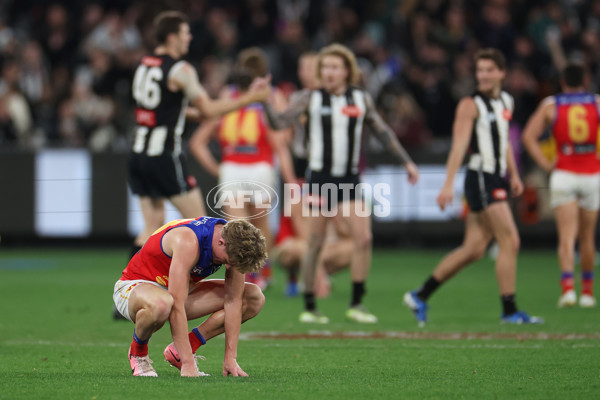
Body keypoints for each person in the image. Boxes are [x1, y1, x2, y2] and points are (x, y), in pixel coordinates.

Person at [263, 43, 419, 324]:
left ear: (347, 70)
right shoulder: (308, 97)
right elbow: (278, 122)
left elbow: (383, 133)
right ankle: (310, 305)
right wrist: (264, 99)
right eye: (325, 67)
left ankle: (357, 302)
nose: (329, 72)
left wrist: (406, 162)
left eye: (335, 67)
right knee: (315, 242)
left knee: (364, 238)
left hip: (349, 179)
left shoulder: (360, 99)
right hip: (320, 179)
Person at [403, 48, 543, 326]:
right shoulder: (470, 104)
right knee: (510, 241)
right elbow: (459, 147)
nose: (484, 75)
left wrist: (513, 174)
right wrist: (447, 185)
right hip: (480, 176)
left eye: (490, 69)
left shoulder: (505, 100)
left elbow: (503, 142)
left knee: (474, 248)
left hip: (496, 175)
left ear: (502, 73)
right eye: (480, 70)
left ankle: (420, 294)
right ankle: (509, 310)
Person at [127, 11, 269, 261]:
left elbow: (159, 109)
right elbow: (209, 109)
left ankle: (128, 289)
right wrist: (251, 99)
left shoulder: (144, 64)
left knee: (151, 227)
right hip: (164, 156)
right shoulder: (181, 69)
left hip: (139, 154)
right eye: (185, 33)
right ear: (172, 37)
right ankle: (193, 291)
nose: (189, 37)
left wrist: (195, 115)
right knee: (201, 226)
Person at [190, 48, 296, 289]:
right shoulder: (232, 94)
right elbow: (199, 141)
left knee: (259, 223)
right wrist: (221, 170)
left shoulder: (270, 96)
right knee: (239, 227)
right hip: (238, 166)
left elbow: (282, 136)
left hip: (259, 164)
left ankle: (262, 268)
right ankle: (248, 272)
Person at [112, 216, 267, 377]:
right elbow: (176, 305)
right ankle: (138, 352)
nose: (228, 266)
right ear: (221, 242)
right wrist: (188, 364)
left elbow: (234, 300)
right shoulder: (188, 241)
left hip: (179, 291)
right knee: (163, 304)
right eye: (228, 261)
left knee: (253, 297)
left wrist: (230, 357)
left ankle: (182, 350)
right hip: (135, 287)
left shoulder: (235, 243)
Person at [522, 63, 599, 308]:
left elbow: (528, 137)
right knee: (588, 238)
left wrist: (546, 164)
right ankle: (587, 293)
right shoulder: (596, 103)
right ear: (585, 81)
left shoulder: (551, 105)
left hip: (564, 173)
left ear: (562, 82)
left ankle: (568, 290)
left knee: (566, 236)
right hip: (591, 174)